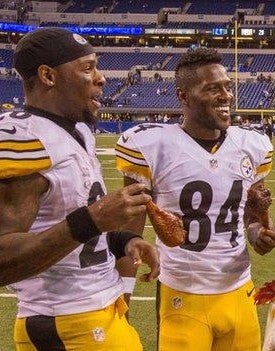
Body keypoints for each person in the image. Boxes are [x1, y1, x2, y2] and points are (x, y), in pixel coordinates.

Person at [0, 27, 159, 350]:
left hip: (100, 311)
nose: (100, 78)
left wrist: (121, 239)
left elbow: (68, 222)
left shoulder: (79, 131)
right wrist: (94, 219)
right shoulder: (22, 138)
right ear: (48, 76)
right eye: (87, 68)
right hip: (66, 324)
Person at [114, 48, 275, 351]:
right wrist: (123, 298)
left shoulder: (251, 145)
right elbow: (129, 233)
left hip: (240, 291)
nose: (226, 95)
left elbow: (254, 212)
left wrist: (258, 233)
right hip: (182, 296)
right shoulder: (152, 146)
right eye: (213, 88)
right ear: (184, 96)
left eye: (227, 87)